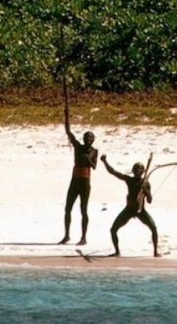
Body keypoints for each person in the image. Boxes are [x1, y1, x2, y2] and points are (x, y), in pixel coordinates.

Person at [102, 155, 159, 257]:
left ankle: (155, 252)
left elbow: (149, 200)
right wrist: (105, 161)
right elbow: (114, 172)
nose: (137, 171)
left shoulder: (146, 183)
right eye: (136, 169)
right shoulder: (129, 180)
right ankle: (117, 252)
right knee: (113, 229)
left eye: (140, 170)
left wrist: (145, 190)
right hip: (129, 209)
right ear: (133, 171)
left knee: (153, 228)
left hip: (140, 210)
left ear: (142, 172)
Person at [59, 102, 97, 245]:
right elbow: (69, 132)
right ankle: (67, 235)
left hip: (85, 181)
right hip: (75, 179)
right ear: (83, 139)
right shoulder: (78, 147)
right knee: (68, 208)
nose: (88, 140)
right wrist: (66, 115)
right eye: (86, 138)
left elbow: (94, 166)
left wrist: (88, 158)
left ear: (93, 140)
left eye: (90, 138)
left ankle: (83, 237)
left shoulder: (94, 151)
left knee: (83, 210)